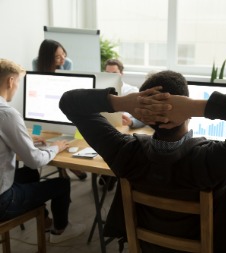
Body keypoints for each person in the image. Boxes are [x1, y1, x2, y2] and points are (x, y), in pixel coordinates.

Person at [60, 70, 226, 252]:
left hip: (149, 249)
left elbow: (68, 102)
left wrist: (121, 103)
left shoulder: (124, 152)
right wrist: (197, 107)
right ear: (185, 108)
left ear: (143, 114)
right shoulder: (214, 159)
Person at [0, 59, 85, 243]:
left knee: (30, 175)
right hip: (2, 202)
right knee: (61, 184)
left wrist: (25, 140)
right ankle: (61, 231)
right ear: (10, 82)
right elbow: (34, 160)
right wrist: (57, 147)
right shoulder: (7, 113)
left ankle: (45, 220)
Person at [32, 39, 86, 181]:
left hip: (61, 97)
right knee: (37, 128)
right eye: (57, 56)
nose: (63, 58)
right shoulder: (36, 62)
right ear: (48, 58)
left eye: (63, 54)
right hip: (43, 99)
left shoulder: (67, 63)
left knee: (65, 133)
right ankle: (61, 168)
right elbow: (37, 83)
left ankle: (69, 165)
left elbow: (66, 85)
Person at [99, 59, 145, 191]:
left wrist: (130, 121)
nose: (111, 76)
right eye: (107, 73)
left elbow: (140, 117)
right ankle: (108, 173)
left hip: (123, 130)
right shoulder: (99, 91)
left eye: (114, 73)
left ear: (121, 73)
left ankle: (113, 175)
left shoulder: (132, 90)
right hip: (104, 127)